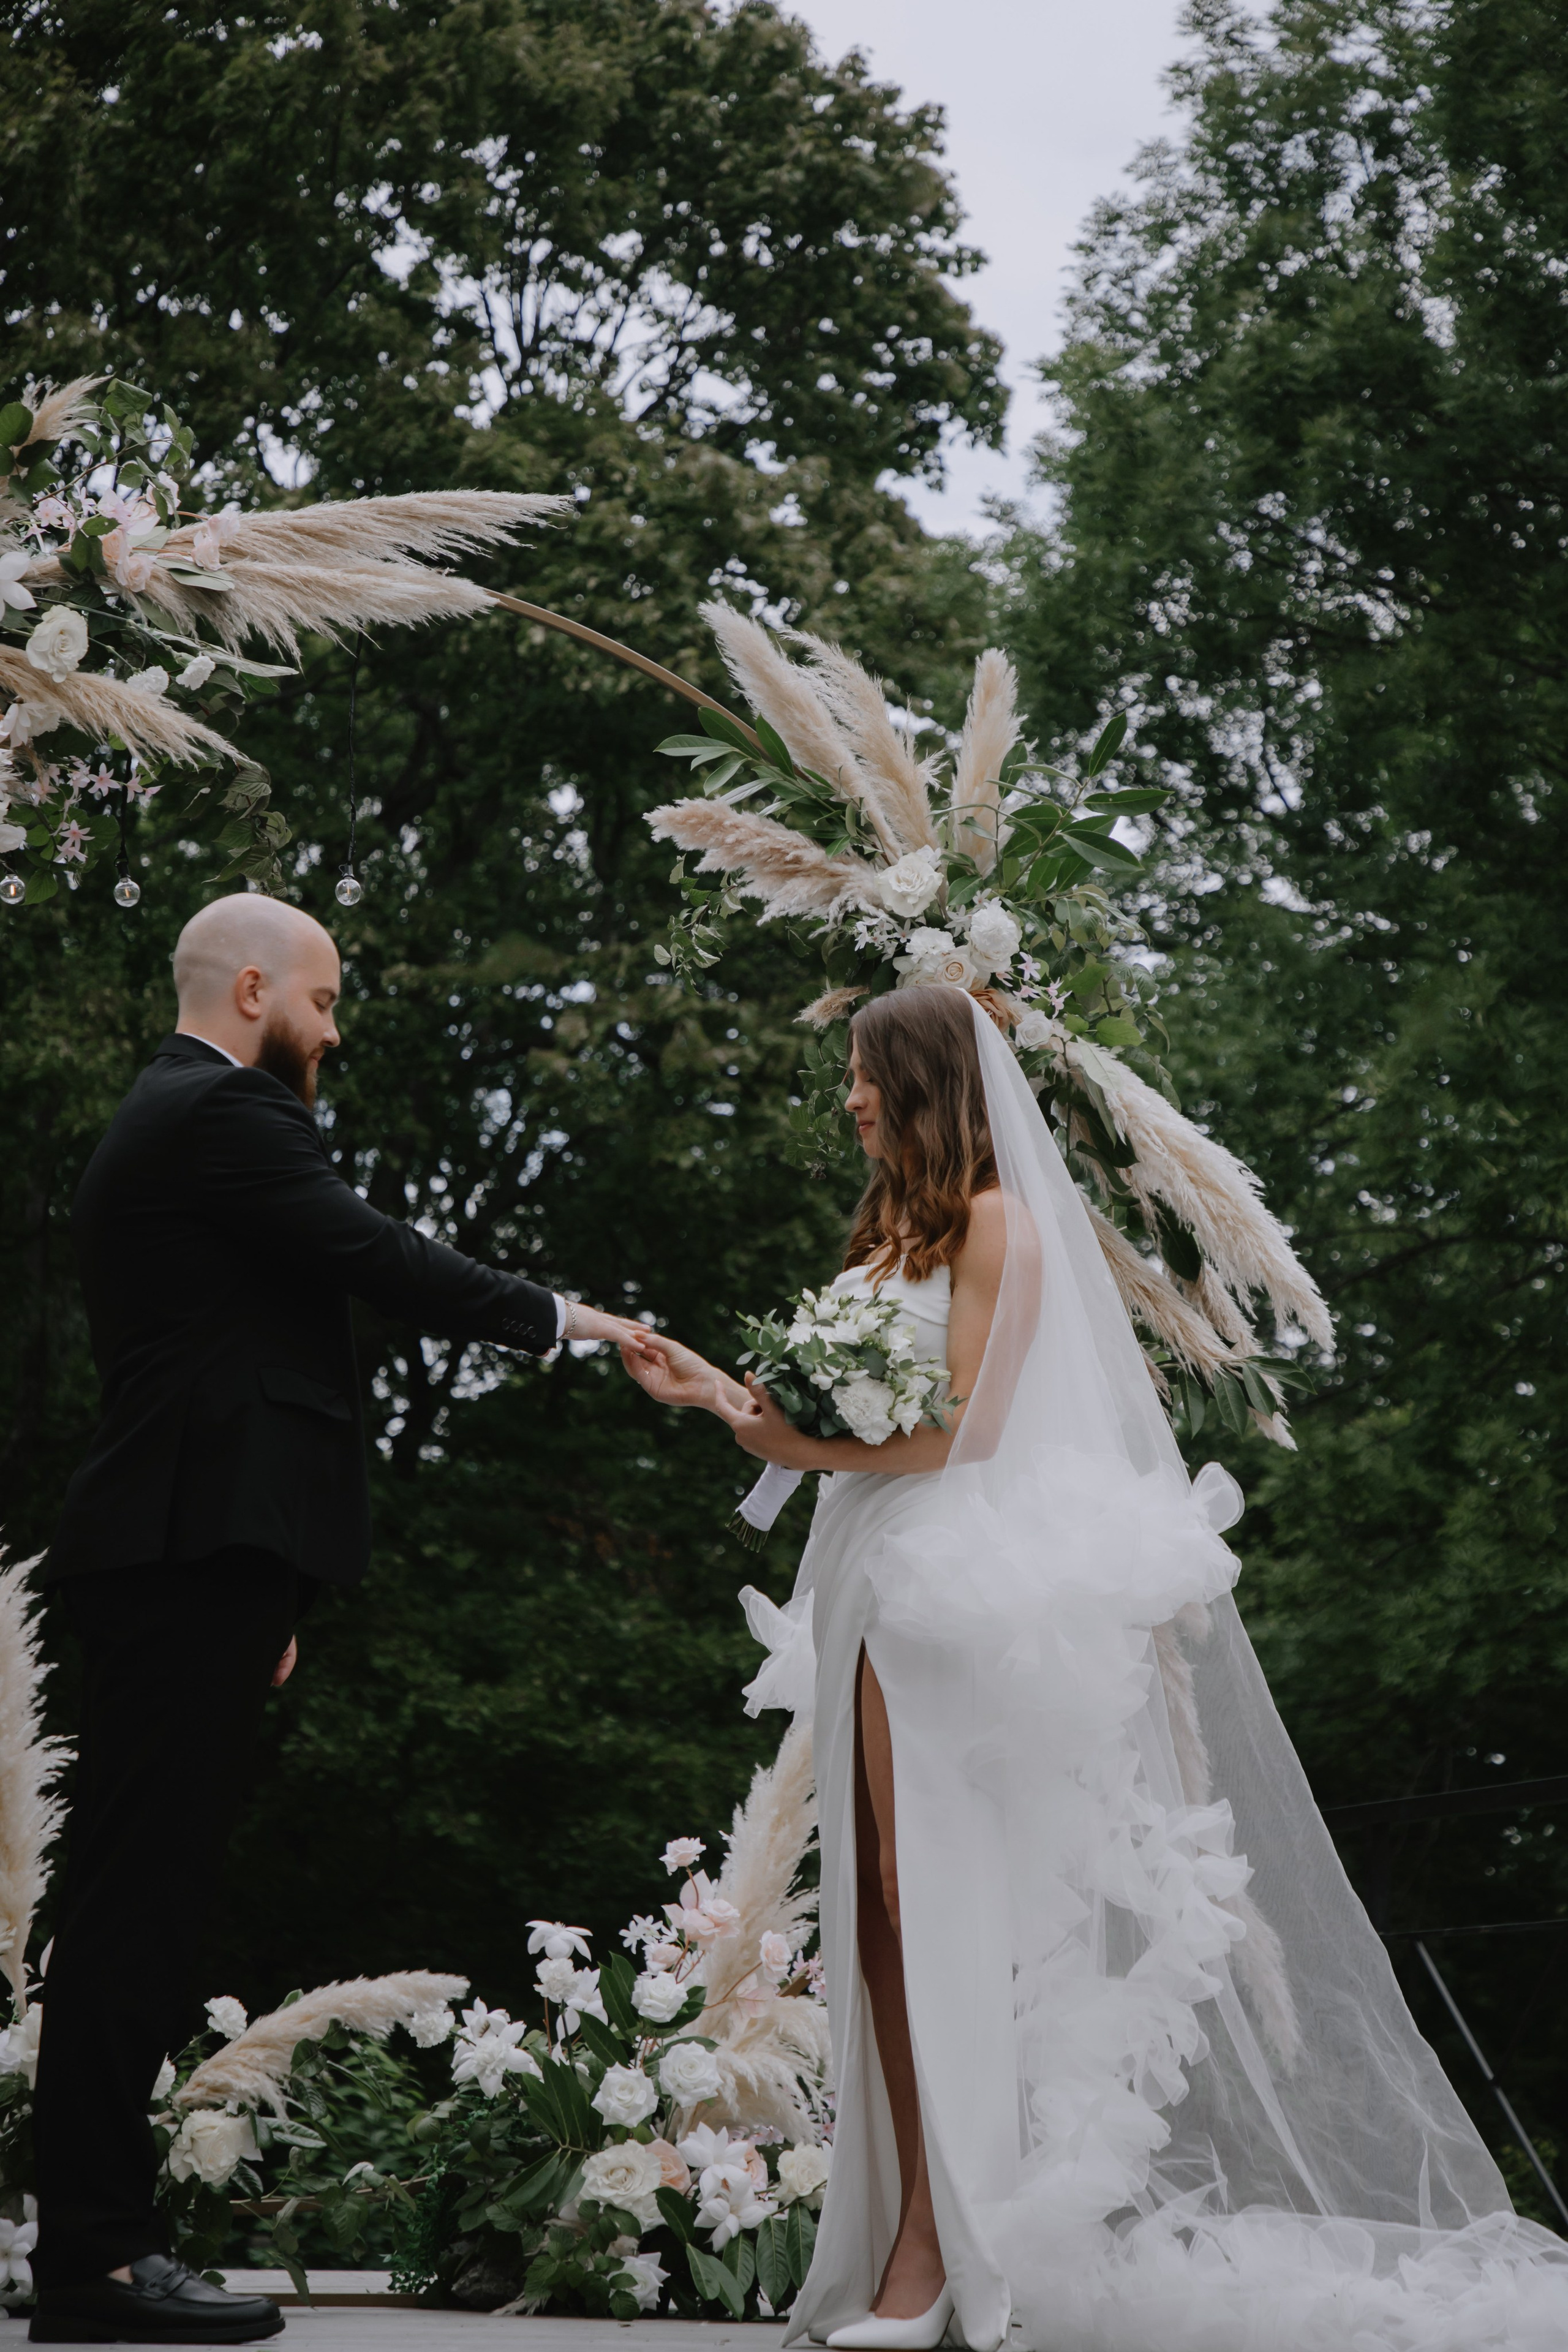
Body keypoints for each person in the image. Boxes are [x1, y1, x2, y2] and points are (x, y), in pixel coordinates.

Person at [624, 982, 1568, 2352]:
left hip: (939, 1583)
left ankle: (941, 2252)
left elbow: (963, 1430)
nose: (846, 1100)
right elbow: (820, 1420)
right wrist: (715, 1394)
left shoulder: (1000, 1225)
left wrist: (794, 1448)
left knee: (921, 1896)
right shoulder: (896, 1230)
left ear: (922, 1081)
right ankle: (903, 2233)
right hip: (861, 1576)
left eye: (861, 1075)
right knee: (873, 1919)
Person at [29, 894, 652, 2348]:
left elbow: (239, 1353)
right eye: (321, 998)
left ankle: (93, 2248)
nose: (333, 1025)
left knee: (138, 1896)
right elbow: (377, 1263)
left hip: (192, 1555)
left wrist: (279, 1581)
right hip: (183, 1558)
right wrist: (572, 1319)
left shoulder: (175, 1119)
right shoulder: (228, 1113)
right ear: (253, 989)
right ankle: (97, 2266)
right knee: (138, 1904)